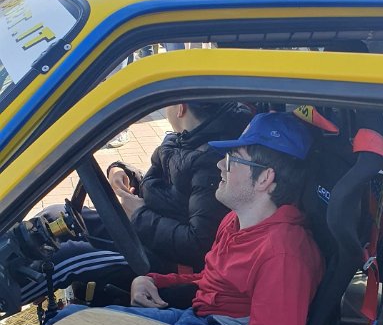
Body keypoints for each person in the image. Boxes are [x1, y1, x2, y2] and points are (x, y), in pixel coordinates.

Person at [47, 112, 324, 325]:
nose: (220, 165)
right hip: (197, 320)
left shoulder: (283, 256)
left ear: (264, 178)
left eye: (232, 159)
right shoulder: (237, 220)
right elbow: (211, 279)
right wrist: (154, 280)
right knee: (66, 323)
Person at [20, 101, 252, 307]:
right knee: (55, 216)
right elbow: (164, 188)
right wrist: (123, 171)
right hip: (145, 229)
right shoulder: (183, 139)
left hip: (168, 261)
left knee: (70, 257)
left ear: (180, 108)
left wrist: (139, 215)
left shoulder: (211, 162)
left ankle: (11, 296)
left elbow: (198, 244)